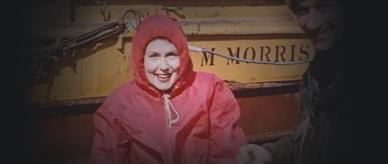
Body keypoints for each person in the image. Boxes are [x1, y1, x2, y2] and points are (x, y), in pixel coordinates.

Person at [89, 14, 246, 164]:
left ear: (183, 56)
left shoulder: (211, 88)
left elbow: (227, 152)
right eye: (154, 56)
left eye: (171, 55)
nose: (163, 67)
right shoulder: (119, 103)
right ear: (141, 60)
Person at [237, 0, 352, 164]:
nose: (312, 24)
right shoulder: (319, 71)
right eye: (303, 11)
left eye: (324, 7)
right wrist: (271, 153)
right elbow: (310, 141)